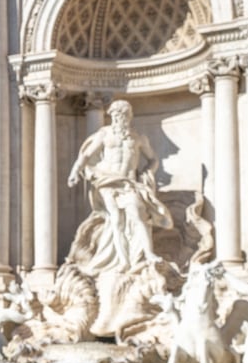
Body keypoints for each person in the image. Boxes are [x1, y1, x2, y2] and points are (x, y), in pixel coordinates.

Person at [65, 99, 173, 276]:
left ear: (129, 116)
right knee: (116, 220)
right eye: (114, 115)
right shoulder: (105, 134)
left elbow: (153, 159)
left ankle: (149, 254)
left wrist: (147, 174)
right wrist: (75, 171)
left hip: (129, 183)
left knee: (138, 215)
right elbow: (86, 154)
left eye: (121, 115)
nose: (117, 119)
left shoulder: (138, 138)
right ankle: (123, 261)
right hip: (107, 181)